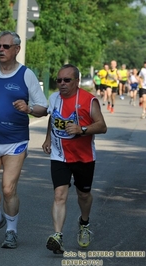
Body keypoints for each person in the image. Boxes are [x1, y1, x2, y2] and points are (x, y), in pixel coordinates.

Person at [0, 31, 48, 249]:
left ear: (17, 49)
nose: (1, 50)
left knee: (8, 189)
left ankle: (12, 232)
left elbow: (43, 108)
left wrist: (29, 108)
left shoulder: (26, 74)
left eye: (6, 46)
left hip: (15, 140)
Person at [42, 64, 107, 254]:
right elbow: (52, 118)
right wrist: (48, 137)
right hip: (59, 155)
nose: (62, 84)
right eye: (59, 80)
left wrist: (82, 129)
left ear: (77, 81)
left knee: (83, 195)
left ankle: (84, 223)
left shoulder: (88, 100)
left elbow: (102, 126)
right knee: (59, 195)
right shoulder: (54, 98)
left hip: (83, 157)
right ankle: (57, 236)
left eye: (67, 80)